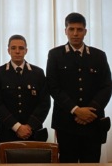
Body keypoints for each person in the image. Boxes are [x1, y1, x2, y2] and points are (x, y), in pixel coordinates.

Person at [46, 12, 112, 163]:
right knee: (67, 161)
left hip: (93, 121)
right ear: (65, 31)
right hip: (66, 122)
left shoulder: (99, 56)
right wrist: (76, 110)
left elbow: (106, 86)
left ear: (85, 31)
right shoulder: (55, 55)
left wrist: (89, 111)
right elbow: (53, 86)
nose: (75, 33)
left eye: (79, 29)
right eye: (71, 29)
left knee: (92, 160)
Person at [0, 34, 50, 143]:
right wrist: (17, 127)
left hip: (33, 131)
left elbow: (44, 103)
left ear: (26, 50)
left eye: (21, 48)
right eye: (13, 48)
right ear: (8, 50)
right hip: (8, 130)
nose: (17, 51)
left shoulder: (38, 73)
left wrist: (29, 126)